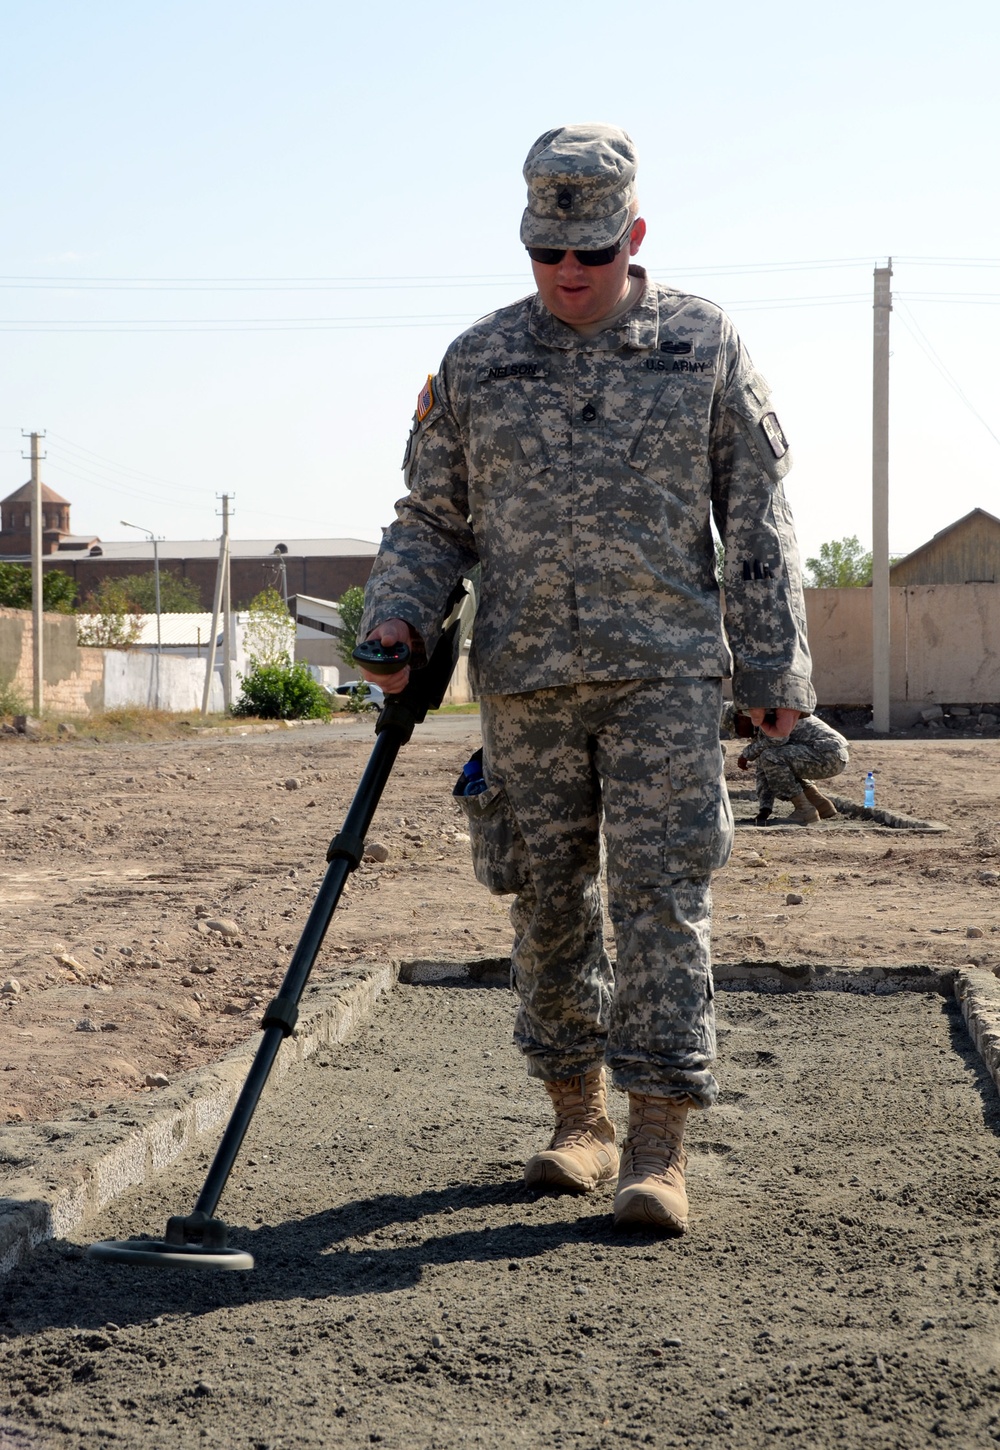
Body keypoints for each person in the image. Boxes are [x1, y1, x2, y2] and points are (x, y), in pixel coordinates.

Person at [358, 123, 816, 1236]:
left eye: (592, 254)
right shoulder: (477, 362)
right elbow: (432, 518)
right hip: (523, 681)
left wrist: (770, 672)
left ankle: (657, 1142)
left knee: (662, 899)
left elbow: (755, 522)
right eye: (548, 254)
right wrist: (398, 617)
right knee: (547, 905)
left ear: (633, 237)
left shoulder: (702, 346)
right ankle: (579, 1120)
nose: (570, 274)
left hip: (663, 675)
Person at [737, 712, 850, 826]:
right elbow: (764, 771)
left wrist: (747, 754)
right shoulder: (767, 714)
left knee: (771, 757)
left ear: (742, 718)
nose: (740, 735)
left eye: (736, 727)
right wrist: (764, 809)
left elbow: (778, 739)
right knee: (779, 764)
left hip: (827, 756)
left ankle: (804, 810)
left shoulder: (770, 717)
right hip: (833, 755)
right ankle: (820, 804)